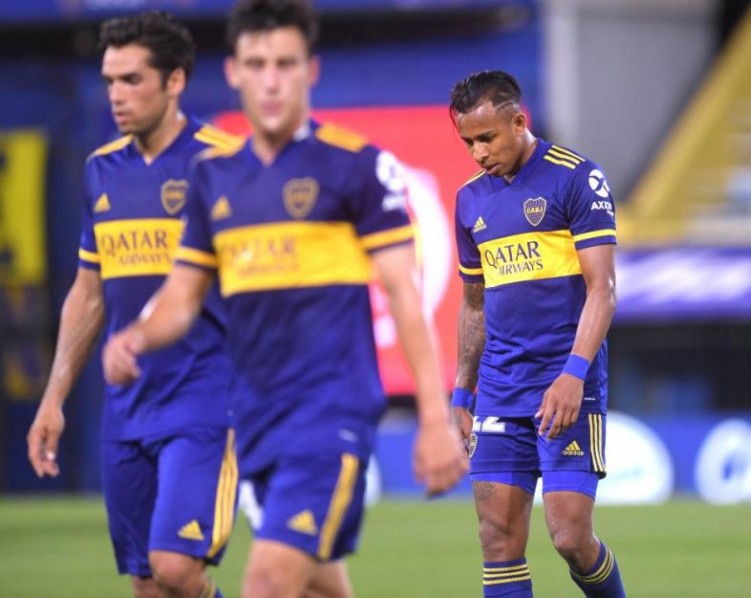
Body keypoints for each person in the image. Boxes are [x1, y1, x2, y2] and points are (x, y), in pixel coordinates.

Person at [101, 1, 468, 597]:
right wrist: (136, 336)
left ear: (309, 70)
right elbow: (182, 295)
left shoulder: (357, 168)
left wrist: (433, 417)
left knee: (268, 583)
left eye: (285, 64)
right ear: (235, 72)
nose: (271, 80)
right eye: (257, 64)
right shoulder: (213, 178)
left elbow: (405, 293)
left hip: (329, 417)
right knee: (318, 584)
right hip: (254, 421)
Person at [25, 12, 238, 598]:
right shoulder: (101, 169)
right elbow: (88, 292)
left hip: (204, 400)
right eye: (110, 80)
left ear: (175, 81)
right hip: (126, 408)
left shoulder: (225, 164)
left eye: (132, 79)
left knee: (177, 569)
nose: (117, 94)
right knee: (147, 584)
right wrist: (54, 397)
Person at [449, 70, 626, 598]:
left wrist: (574, 373)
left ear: (518, 121)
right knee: (497, 541)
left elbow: (602, 289)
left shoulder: (577, 177)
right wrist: (461, 391)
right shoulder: (469, 200)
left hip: (565, 383)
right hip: (500, 387)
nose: (478, 153)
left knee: (571, 538)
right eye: (468, 142)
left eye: (486, 138)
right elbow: (474, 304)